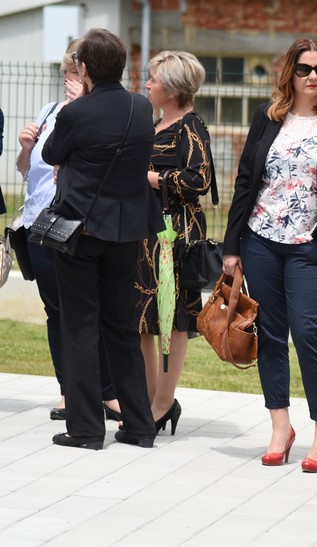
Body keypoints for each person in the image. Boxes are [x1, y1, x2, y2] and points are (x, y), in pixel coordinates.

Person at [222, 38, 317, 472]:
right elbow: (246, 181)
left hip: (311, 247)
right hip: (260, 241)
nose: (313, 76)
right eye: (304, 68)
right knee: (270, 334)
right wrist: (232, 246)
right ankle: (280, 427)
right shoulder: (267, 118)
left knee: (307, 332)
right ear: (290, 72)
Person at [41, 28, 159, 450]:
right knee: (122, 327)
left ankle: (86, 428)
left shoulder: (76, 112)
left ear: (85, 68)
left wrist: (75, 112)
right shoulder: (141, 107)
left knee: (79, 328)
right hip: (126, 232)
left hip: (81, 230)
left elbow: (50, 154)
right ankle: (140, 425)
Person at [16, 39, 123, 424]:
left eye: (76, 73)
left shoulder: (96, 112)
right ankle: (68, 390)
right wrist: (25, 147)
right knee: (57, 312)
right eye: (66, 72)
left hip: (80, 224)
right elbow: (28, 169)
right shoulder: (50, 110)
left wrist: (80, 108)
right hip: (41, 223)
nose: (69, 80)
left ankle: (106, 392)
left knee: (92, 311)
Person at [135, 50, 213, 435]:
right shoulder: (155, 123)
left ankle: (163, 403)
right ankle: (148, 401)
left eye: (153, 79)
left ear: (172, 88)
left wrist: (150, 178)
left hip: (175, 234)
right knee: (142, 320)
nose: (147, 84)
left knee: (173, 318)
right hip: (146, 233)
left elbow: (200, 180)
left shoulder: (190, 126)